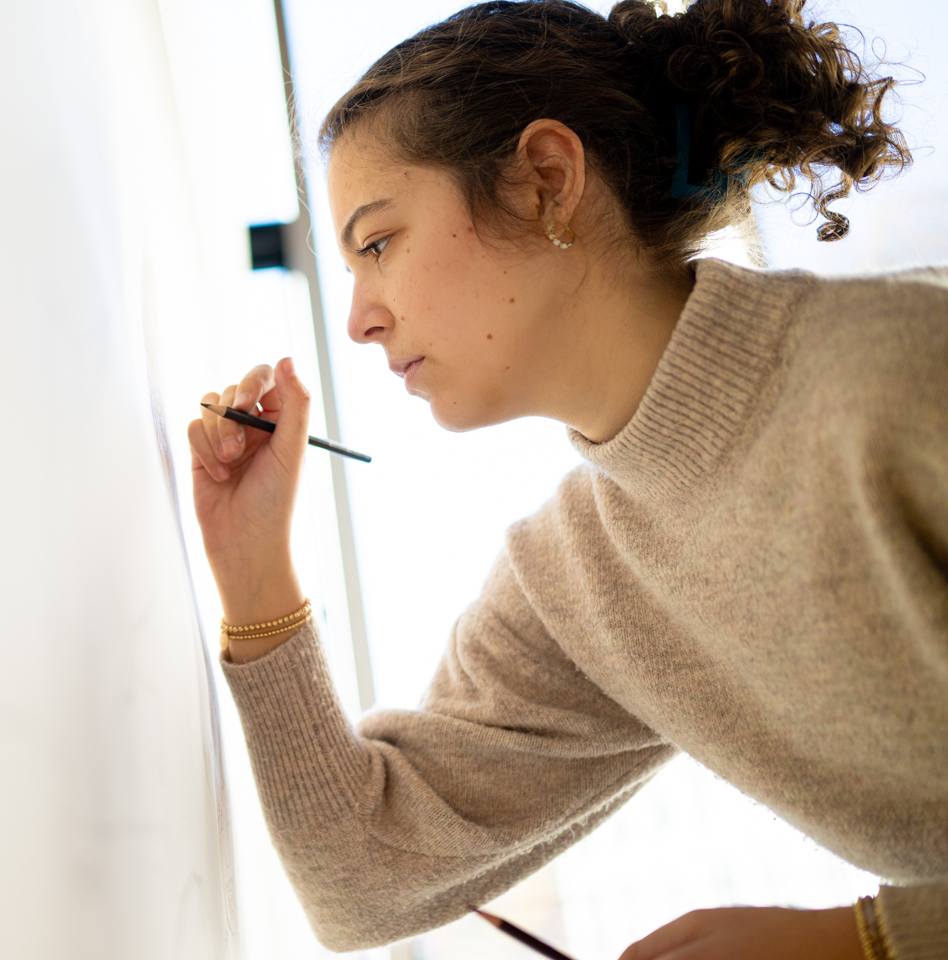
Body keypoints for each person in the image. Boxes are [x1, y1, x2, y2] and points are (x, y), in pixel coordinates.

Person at [186, 1, 947, 958]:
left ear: (547, 179)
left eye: (377, 243)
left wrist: (868, 941)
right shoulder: (576, 582)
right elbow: (363, 879)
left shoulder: (905, 371)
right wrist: (255, 572)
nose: (360, 321)